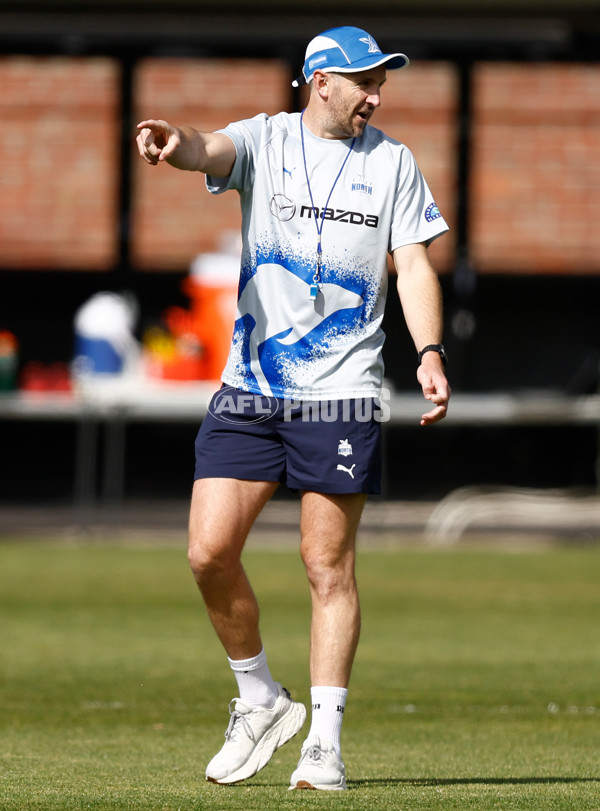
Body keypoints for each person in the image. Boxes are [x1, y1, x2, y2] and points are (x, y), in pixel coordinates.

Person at [136, 25, 450, 791]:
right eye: (365, 80)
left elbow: (412, 266)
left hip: (341, 393)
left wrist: (431, 351)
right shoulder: (266, 140)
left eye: (382, 81)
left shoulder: (394, 163)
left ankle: (325, 743)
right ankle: (259, 698)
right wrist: (172, 138)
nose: (376, 94)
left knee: (325, 564)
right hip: (250, 389)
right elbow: (208, 149)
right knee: (208, 552)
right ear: (322, 82)